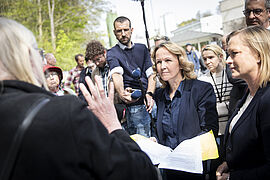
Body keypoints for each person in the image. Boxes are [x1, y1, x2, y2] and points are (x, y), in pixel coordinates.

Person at [0, 17, 159, 180]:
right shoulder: (65, 112)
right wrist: (112, 124)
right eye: (38, 52)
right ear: (27, 56)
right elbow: (140, 172)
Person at [152, 41, 218, 179]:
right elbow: (161, 130)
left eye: (168, 60)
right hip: (169, 169)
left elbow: (209, 130)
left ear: (180, 62)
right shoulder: (159, 95)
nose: (162, 66)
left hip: (196, 169)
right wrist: (154, 140)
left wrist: (184, 151)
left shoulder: (201, 89)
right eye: (158, 62)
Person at [216, 26, 270, 180]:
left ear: (258, 55)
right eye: (228, 54)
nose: (228, 60)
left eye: (234, 53)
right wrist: (228, 162)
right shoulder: (248, 93)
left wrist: (231, 178)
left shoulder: (267, 99)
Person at [107, 16, 156, 137]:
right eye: (119, 31)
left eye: (126, 30)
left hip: (152, 102)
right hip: (134, 106)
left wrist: (149, 94)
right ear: (114, 32)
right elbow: (116, 74)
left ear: (131, 30)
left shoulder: (142, 48)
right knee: (144, 145)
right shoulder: (112, 53)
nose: (123, 34)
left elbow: (151, 74)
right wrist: (122, 93)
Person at [199, 44, 233, 135]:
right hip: (214, 129)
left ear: (220, 57)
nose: (207, 62)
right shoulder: (202, 80)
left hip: (232, 125)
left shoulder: (231, 75)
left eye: (211, 57)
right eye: (205, 59)